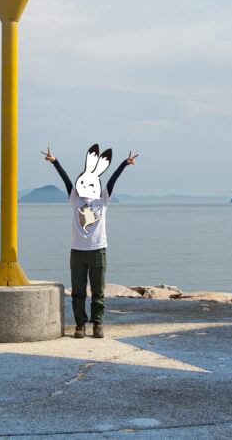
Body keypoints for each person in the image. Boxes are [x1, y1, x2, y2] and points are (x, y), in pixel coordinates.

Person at [41, 144, 138, 338]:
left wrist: (124, 164)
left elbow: (112, 180)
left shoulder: (103, 200)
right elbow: (66, 179)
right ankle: (80, 325)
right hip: (77, 251)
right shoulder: (75, 199)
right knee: (78, 292)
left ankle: (97, 324)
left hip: (98, 251)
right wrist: (55, 162)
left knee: (98, 292)